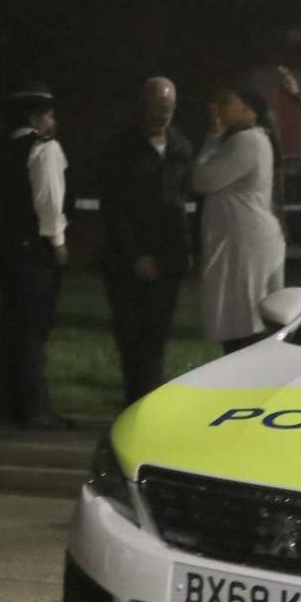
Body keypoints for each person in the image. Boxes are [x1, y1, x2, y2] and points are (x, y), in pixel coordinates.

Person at [100, 77, 193, 404]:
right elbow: (113, 208)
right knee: (132, 339)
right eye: (155, 107)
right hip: (126, 263)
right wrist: (136, 254)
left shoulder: (181, 148)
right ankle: (135, 401)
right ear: (142, 106)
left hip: (168, 260)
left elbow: (180, 203)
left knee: (156, 338)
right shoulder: (121, 149)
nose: (161, 115)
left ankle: (146, 404)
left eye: (166, 108)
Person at [0, 83, 68, 430]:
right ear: (38, 118)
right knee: (33, 328)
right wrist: (58, 240)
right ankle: (35, 409)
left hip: (6, 243)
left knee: (10, 327)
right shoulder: (44, 149)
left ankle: (8, 404)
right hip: (35, 246)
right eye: (50, 114)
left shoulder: (4, 148)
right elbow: (48, 199)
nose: (54, 120)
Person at [193, 82, 287, 354]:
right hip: (240, 241)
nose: (218, 108)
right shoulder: (244, 140)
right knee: (242, 312)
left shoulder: (247, 141)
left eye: (226, 102)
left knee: (244, 315)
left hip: (244, 244)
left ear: (248, 109)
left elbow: (203, 179)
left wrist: (212, 136)